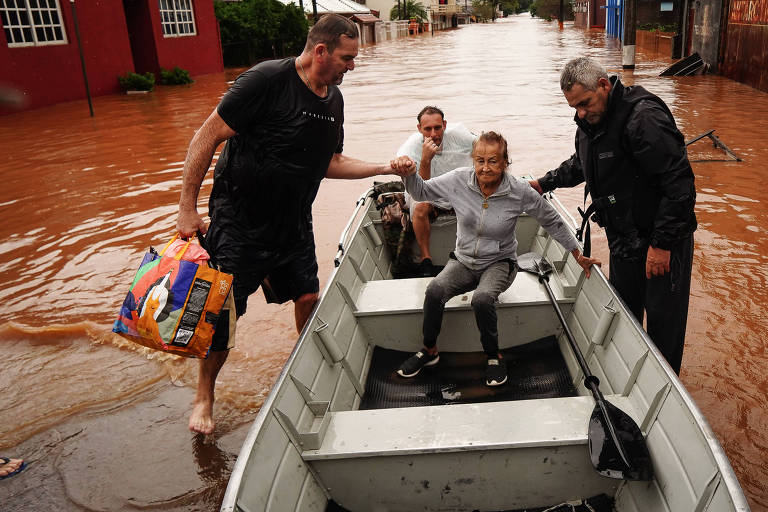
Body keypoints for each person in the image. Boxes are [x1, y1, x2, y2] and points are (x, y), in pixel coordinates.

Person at [175, 14, 412, 435]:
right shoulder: (266, 81)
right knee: (225, 315)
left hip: (293, 221)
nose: (352, 66)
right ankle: (204, 395)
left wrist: (383, 168)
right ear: (320, 51)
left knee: (307, 295)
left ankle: (301, 369)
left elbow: (330, 162)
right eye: (347, 58)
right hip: (240, 223)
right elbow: (205, 136)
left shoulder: (333, 100)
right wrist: (186, 208)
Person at [529, 57, 697, 375]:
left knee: (663, 328)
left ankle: (664, 390)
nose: (580, 113)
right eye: (574, 107)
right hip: (624, 239)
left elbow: (680, 186)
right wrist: (543, 183)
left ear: (604, 85)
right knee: (626, 318)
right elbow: (582, 164)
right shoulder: (591, 122)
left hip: (661, 241)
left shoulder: (643, 118)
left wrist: (662, 245)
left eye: (584, 103)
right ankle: (630, 378)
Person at [392, 132, 600, 386]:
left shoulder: (518, 190)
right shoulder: (459, 180)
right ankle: (429, 350)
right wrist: (409, 173)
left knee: (482, 299)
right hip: (463, 261)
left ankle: (493, 355)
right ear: (473, 160)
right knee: (434, 290)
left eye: (493, 161)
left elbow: (551, 219)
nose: (485, 168)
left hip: (500, 263)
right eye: (480, 160)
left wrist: (577, 253)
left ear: (504, 162)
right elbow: (421, 190)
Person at [396, 106, 476, 276]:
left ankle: (476, 253)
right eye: (428, 129)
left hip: (454, 190)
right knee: (420, 206)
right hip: (424, 191)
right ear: (419, 129)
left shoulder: (459, 135)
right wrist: (426, 159)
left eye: (437, 128)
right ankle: (426, 259)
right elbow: (420, 190)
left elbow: (485, 147)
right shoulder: (409, 149)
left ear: (444, 125)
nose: (433, 134)